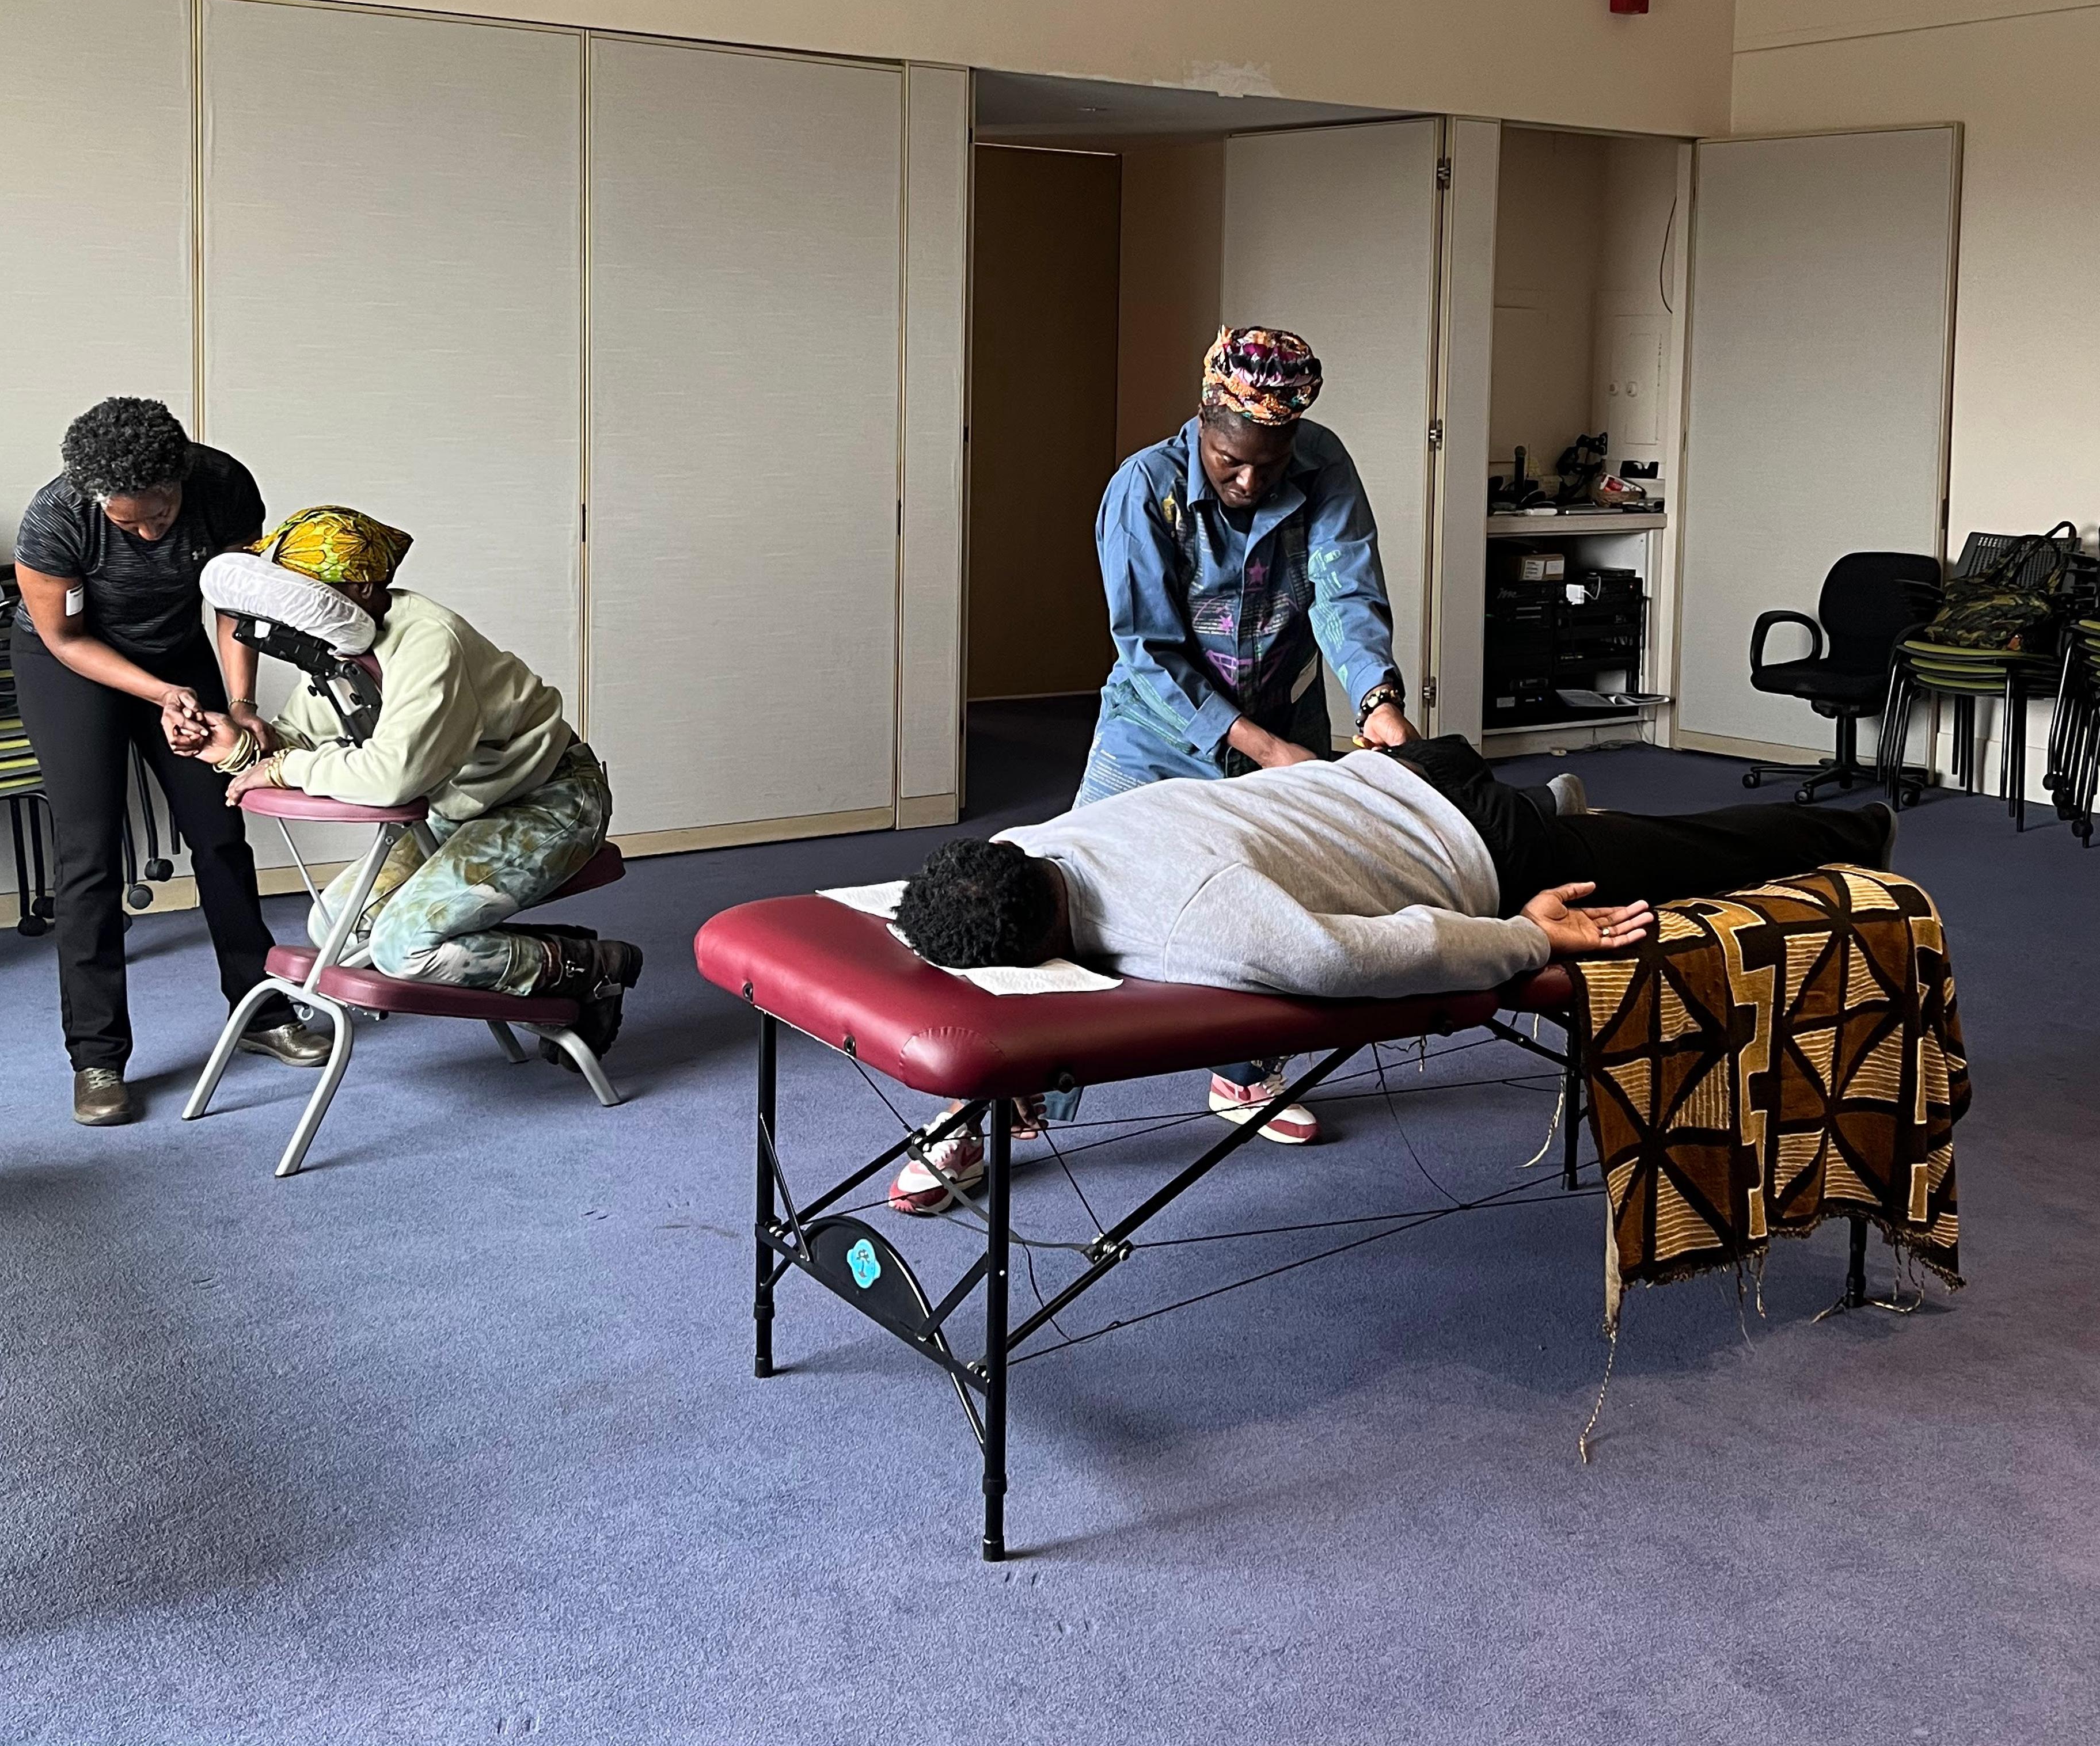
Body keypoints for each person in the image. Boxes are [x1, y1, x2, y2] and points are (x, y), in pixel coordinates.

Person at [882, 738, 1895, 1212]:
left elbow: (1356, 956)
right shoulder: (1033, 841)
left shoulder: (1192, 922)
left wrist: (1530, 939)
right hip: (1389, 778)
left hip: (1472, 852)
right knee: (1599, 830)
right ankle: (1556, 809)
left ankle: (1863, 828)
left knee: (1694, 856)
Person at [1078, 324, 1421, 1147]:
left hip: (1285, 704)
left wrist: (1377, 701)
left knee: (1276, 892)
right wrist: (1264, 749)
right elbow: (1150, 650)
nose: (1249, 478)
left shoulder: (1322, 464)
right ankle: (986, 1104)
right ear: (1204, 420)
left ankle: (1245, 1066)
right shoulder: (1143, 489)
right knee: (1080, 895)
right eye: (1234, 460)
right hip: (1154, 727)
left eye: (1269, 464)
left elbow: (1344, 591)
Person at [175, 506, 641, 1054]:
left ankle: (589, 967)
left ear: (364, 586)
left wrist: (282, 767)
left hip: (548, 799)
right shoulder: (344, 652)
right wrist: (235, 746)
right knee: (335, 927)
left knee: (404, 949)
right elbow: (297, 738)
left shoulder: (428, 643)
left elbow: (392, 779)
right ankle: (552, 955)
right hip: (458, 809)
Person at [10, 397, 328, 1127]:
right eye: (131, 522)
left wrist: (240, 705)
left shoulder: (223, 484)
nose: (151, 530)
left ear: (181, 475)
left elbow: (235, 603)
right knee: (89, 850)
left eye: (161, 513)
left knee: (219, 828)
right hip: (71, 665)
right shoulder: (56, 516)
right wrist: (163, 695)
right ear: (98, 502)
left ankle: (260, 1008)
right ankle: (97, 1057)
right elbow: (64, 637)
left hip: (180, 646)